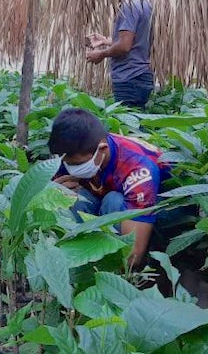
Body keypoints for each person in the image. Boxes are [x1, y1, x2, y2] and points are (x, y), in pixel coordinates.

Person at [48, 108, 176, 269]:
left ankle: (108, 268)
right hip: (108, 196)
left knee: (113, 201)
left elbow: (133, 253)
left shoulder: (137, 167)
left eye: (78, 165)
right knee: (72, 197)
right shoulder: (68, 155)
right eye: (68, 164)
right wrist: (54, 197)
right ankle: (77, 263)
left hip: (158, 211)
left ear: (102, 149)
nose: (71, 169)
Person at [86, 0, 154, 108]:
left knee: (128, 124)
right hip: (142, 75)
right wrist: (106, 40)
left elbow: (124, 46)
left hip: (129, 77)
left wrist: (101, 54)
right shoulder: (145, 3)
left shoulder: (129, 7)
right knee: (138, 122)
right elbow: (135, 41)